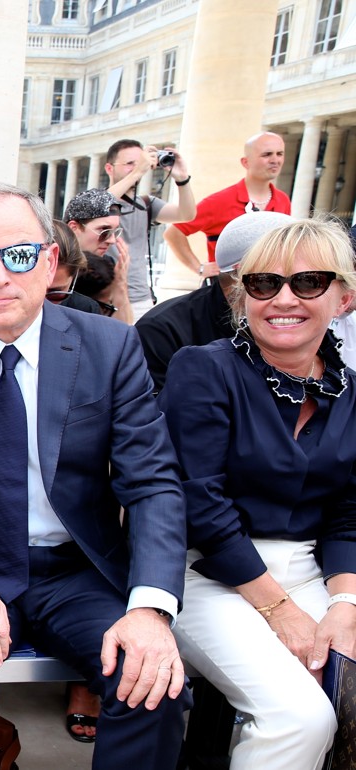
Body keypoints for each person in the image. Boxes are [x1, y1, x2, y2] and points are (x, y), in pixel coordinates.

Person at [0, 181, 189, 770]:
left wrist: (151, 607)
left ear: (50, 259)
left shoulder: (111, 347)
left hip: (75, 572)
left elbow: (152, 482)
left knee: (151, 677)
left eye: (18, 255)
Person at [160, 218, 356, 770]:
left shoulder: (350, 392)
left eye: (309, 282)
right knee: (299, 716)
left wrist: (345, 604)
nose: (284, 299)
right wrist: (281, 610)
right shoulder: (203, 369)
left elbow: (349, 512)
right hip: (209, 575)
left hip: (316, 572)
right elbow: (200, 503)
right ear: (244, 296)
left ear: (344, 297)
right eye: (265, 284)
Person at [137, 211, 293, 393]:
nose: (291, 299)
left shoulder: (305, 328)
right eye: (273, 281)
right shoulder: (162, 330)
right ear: (239, 276)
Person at [165, 132, 291, 280]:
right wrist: (199, 268)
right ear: (246, 162)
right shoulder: (220, 201)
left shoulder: (283, 200)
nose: (275, 160)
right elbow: (173, 233)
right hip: (226, 289)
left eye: (279, 154)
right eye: (267, 154)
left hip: (268, 287)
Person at [105, 139, 197, 319]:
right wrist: (138, 171)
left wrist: (182, 178)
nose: (137, 168)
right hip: (104, 297)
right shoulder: (93, 199)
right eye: (129, 163)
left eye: (139, 162)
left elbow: (187, 214)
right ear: (109, 168)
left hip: (141, 299)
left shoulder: (146, 204)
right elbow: (100, 204)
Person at [64, 188, 131, 322]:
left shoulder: (107, 266)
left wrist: (120, 284)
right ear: (74, 228)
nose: (111, 240)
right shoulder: (52, 265)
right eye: (104, 231)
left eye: (115, 232)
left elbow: (125, 329)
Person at [48, 219, 104, 316]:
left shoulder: (86, 312)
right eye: (32, 290)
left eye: (55, 294)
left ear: (74, 276)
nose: (41, 303)